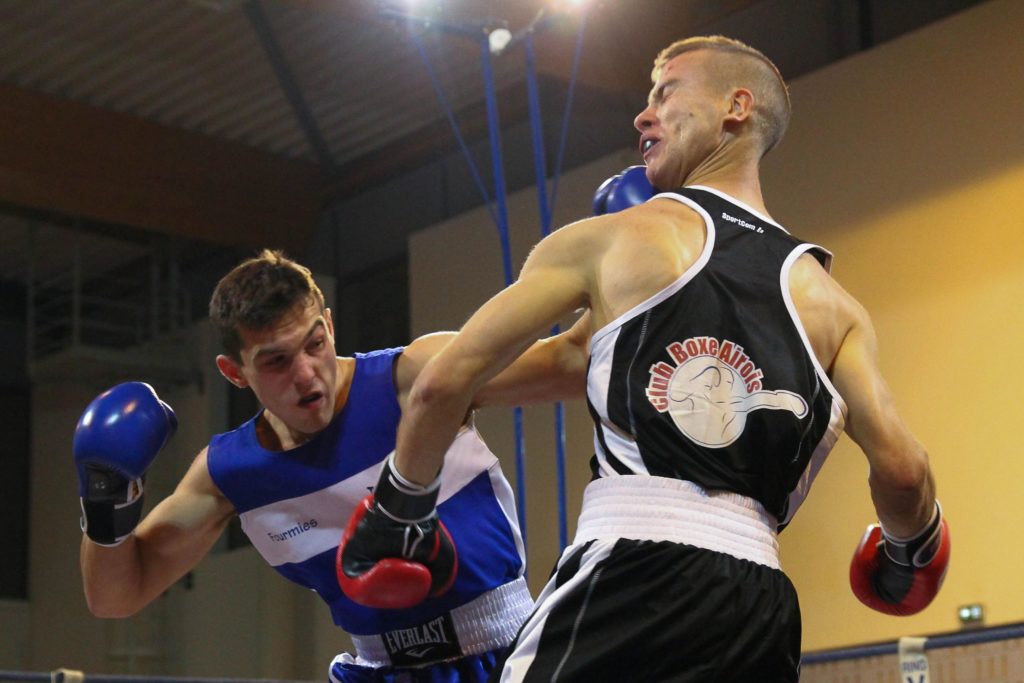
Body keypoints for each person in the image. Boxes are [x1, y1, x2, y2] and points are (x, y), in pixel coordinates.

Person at [338, 36, 950, 682]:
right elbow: (906, 471)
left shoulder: (611, 241)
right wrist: (910, 553)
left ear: (735, 108)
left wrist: (399, 507)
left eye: (666, 91)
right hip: (760, 609)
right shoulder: (834, 304)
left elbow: (445, 380)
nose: (643, 113)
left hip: (628, 571)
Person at [74, 250, 589, 683]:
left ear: (330, 327)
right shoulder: (231, 472)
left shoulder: (413, 378)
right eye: (276, 361)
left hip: (512, 651)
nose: (306, 375)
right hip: (377, 669)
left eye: (314, 344)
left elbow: (570, 365)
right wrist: (105, 500)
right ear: (235, 373)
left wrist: (633, 275)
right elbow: (115, 597)